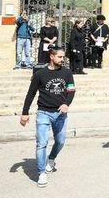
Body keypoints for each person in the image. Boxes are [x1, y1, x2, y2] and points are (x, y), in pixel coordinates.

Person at [20, 47, 75, 187]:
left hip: (61, 114)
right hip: (43, 113)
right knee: (41, 144)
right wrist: (25, 112)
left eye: (63, 57)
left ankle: (51, 158)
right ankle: (42, 172)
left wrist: (66, 104)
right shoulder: (40, 74)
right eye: (60, 57)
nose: (62, 60)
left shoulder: (67, 72)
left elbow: (71, 90)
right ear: (52, 56)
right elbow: (31, 93)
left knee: (61, 141)